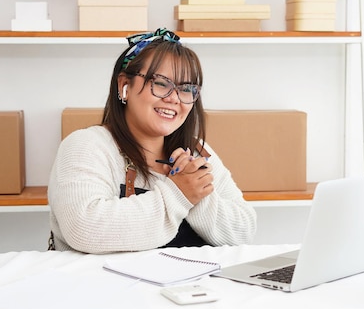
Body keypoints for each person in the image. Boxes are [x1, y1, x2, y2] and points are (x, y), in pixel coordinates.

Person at [47, 27, 257, 253]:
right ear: (123, 85)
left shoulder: (198, 152)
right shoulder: (86, 146)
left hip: (186, 286)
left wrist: (198, 194)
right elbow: (85, 229)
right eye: (161, 83)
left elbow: (244, 231)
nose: (174, 98)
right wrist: (180, 194)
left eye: (186, 89)